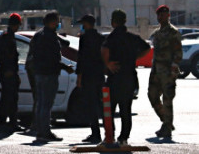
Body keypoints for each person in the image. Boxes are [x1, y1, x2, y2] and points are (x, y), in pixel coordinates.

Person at [101, 9, 150, 146]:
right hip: (129, 77)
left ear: (113, 22)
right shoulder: (132, 37)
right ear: (125, 21)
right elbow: (147, 48)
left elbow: (104, 50)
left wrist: (108, 64)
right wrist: (135, 58)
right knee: (126, 110)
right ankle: (123, 139)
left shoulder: (112, 37)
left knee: (109, 109)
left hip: (115, 77)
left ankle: (109, 137)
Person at [30, 12, 72, 143]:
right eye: (57, 21)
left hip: (39, 73)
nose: (58, 23)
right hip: (49, 73)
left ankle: (40, 130)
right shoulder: (49, 37)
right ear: (52, 22)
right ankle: (45, 131)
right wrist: (65, 67)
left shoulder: (38, 35)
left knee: (41, 103)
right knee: (46, 104)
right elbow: (52, 58)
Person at [148, 5, 182, 139]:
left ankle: (167, 127)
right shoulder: (157, 33)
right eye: (159, 15)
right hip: (156, 70)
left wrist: (174, 68)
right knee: (152, 96)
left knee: (167, 99)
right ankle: (166, 121)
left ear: (168, 15)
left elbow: (178, 53)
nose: (160, 17)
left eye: (163, 14)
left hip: (168, 71)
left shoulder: (173, 32)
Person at [75, 14, 105, 144]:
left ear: (87, 24)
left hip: (88, 75)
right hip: (99, 74)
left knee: (91, 105)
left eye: (83, 23)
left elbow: (81, 58)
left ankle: (95, 133)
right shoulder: (100, 38)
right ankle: (109, 132)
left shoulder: (84, 38)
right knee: (103, 105)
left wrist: (79, 77)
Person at [0, 13, 23, 132]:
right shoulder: (8, 37)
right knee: (10, 98)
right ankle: (9, 122)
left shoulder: (8, 36)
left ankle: (10, 122)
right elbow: (6, 56)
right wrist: (9, 71)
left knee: (9, 98)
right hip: (8, 72)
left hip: (9, 71)